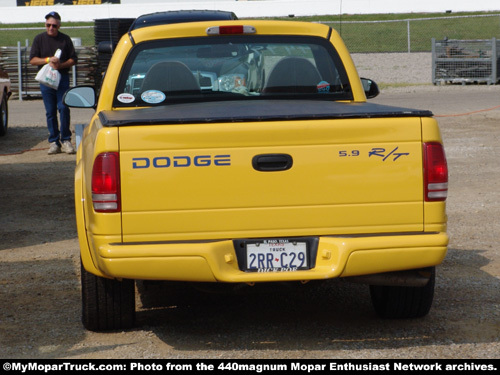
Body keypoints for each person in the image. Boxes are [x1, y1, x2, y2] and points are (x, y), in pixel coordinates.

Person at [29, 11, 77, 154]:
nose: (51, 28)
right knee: (50, 112)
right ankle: (54, 141)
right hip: (46, 80)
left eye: (54, 26)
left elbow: (73, 60)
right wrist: (48, 60)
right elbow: (32, 60)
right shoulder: (39, 39)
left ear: (59, 26)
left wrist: (60, 65)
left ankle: (66, 139)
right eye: (48, 25)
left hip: (62, 78)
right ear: (45, 24)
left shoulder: (65, 40)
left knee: (63, 108)